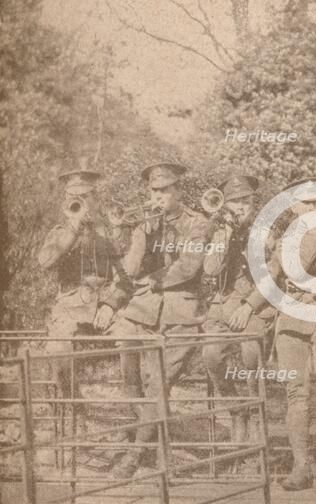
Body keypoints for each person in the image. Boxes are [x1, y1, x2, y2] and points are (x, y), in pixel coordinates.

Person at [250, 178, 316, 493]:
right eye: (304, 203)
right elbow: (275, 272)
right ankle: (302, 466)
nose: (311, 208)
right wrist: (249, 305)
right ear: (294, 206)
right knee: (296, 395)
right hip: (292, 317)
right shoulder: (286, 239)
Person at [110, 162, 210, 479]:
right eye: (154, 190)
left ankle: (136, 454)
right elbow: (130, 271)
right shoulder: (145, 225)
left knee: (158, 384)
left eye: (165, 190)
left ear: (178, 190)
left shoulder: (198, 223)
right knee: (129, 379)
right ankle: (153, 445)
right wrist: (141, 235)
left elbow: (189, 266)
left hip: (180, 313)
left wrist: (153, 279)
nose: (159, 196)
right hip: (142, 312)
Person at [38, 159, 132, 425]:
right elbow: (45, 262)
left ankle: (135, 413)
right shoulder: (59, 233)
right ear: (66, 202)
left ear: (95, 199)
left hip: (105, 307)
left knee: (133, 340)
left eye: (86, 196)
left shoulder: (109, 233)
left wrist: (110, 305)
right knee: (57, 349)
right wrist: (73, 228)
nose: (81, 202)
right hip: (69, 307)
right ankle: (73, 406)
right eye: (74, 197)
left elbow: (126, 279)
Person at [201, 175, 275, 446]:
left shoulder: (265, 232)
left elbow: (273, 278)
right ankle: (236, 412)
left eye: (245, 200)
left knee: (250, 354)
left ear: (254, 202)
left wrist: (248, 305)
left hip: (256, 305)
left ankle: (257, 416)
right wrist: (226, 235)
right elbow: (210, 270)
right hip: (223, 305)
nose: (240, 207)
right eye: (234, 202)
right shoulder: (218, 231)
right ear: (224, 206)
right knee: (211, 356)